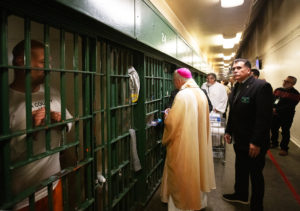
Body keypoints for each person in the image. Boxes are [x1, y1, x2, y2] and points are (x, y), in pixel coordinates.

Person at [9, 40, 72, 210]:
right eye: (44, 62)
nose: (49, 68)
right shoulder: (6, 101)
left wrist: (59, 122)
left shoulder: (52, 92)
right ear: (22, 61)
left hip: (53, 183)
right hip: (22, 198)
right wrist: (30, 130)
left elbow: (69, 120)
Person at [161, 68, 216, 210]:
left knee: (182, 174)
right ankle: (199, 202)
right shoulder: (200, 93)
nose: (175, 84)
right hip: (199, 141)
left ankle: (183, 205)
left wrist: (167, 117)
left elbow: (173, 123)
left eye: (174, 81)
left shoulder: (182, 95)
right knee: (197, 170)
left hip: (184, 143)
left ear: (179, 80)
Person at [223, 58, 273, 211]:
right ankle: (241, 195)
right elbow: (234, 112)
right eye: (234, 69)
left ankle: (257, 205)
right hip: (240, 139)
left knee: (255, 174)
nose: (235, 71)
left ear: (249, 71)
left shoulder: (261, 86)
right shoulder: (237, 86)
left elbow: (263, 118)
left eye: (239, 68)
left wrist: (256, 142)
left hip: (254, 142)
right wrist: (229, 130)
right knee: (241, 168)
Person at [270, 76, 300, 156]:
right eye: (285, 80)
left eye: (288, 82)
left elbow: (290, 106)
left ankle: (284, 148)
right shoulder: (278, 90)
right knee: (273, 129)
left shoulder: (296, 94)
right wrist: (271, 107)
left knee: (285, 131)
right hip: (275, 115)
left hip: (287, 116)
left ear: (293, 84)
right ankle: (274, 142)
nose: (285, 82)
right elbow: (273, 99)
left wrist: (276, 110)